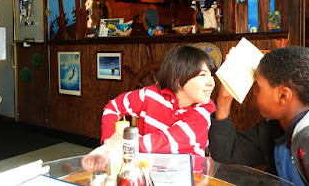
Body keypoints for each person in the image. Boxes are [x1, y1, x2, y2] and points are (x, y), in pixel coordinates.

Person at [209, 46, 309, 185]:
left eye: (258, 86)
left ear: (283, 95)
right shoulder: (279, 127)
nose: (254, 92)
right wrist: (224, 99)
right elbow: (225, 154)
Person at [83, 45, 217, 171]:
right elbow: (113, 106)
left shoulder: (205, 109)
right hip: (146, 173)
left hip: (189, 178)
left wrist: (119, 146)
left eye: (211, 75)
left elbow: (169, 140)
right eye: (203, 75)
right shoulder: (150, 94)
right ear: (178, 79)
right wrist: (109, 141)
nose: (211, 83)